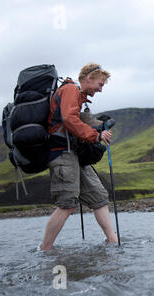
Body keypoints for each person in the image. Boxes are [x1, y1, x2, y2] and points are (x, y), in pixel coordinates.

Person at [40, 63, 118, 251]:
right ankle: (45, 250)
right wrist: (96, 136)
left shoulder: (78, 95)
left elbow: (74, 121)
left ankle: (113, 242)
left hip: (74, 154)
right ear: (89, 78)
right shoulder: (70, 90)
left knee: (99, 196)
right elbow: (69, 119)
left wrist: (99, 126)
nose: (100, 90)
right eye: (100, 84)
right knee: (67, 204)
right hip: (62, 153)